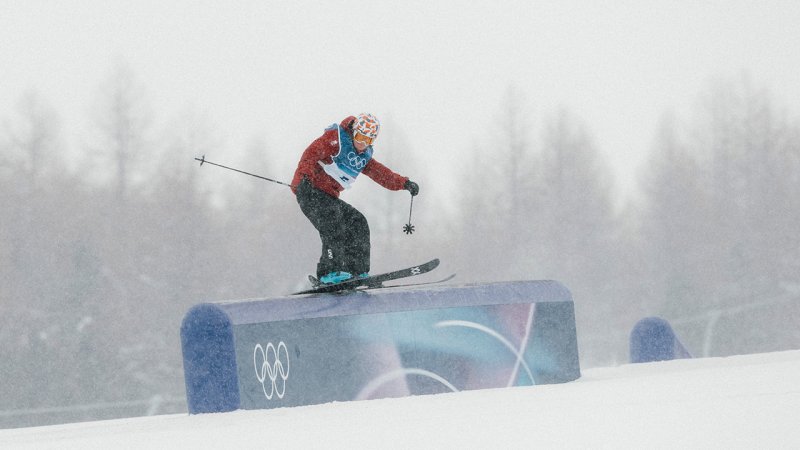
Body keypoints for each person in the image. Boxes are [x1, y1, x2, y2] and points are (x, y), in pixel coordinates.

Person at [291, 113, 419, 285]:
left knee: (357, 222)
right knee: (333, 221)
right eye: (359, 137)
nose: (361, 143)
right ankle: (329, 272)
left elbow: (381, 173)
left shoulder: (363, 156)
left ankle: (356, 270)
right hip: (309, 191)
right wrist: (304, 178)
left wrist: (404, 183)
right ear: (353, 132)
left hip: (329, 197)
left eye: (366, 140)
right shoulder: (335, 139)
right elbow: (310, 154)